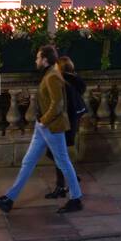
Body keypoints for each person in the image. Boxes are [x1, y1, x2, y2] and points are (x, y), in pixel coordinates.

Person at [0, 46, 84, 214]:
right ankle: (9, 199)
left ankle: (76, 199)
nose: (36, 60)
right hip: (43, 127)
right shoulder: (49, 74)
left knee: (63, 161)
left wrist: (44, 121)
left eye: (38, 58)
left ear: (45, 59)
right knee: (28, 161)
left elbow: (58, 104)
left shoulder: (52, 76)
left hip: (51, 126)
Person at [43, 56, 87, 199]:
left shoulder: (62, 81)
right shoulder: (75, 79)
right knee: (57, 153)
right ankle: (67, 178)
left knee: (56, 153)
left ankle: (62, 186)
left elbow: (58, 104)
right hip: (73, 119)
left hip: (65, 121)